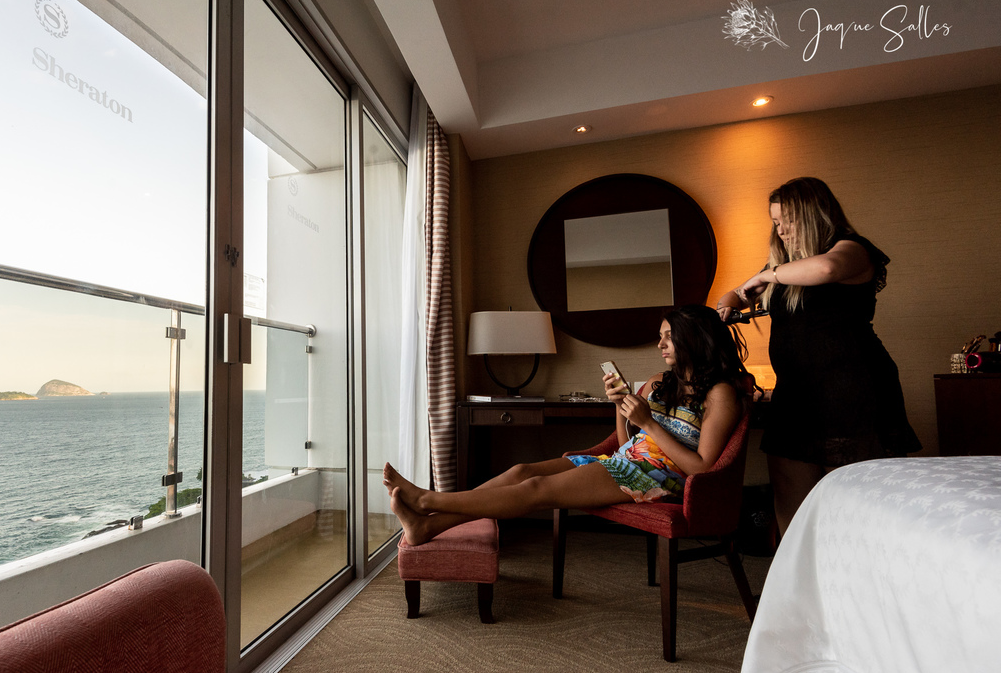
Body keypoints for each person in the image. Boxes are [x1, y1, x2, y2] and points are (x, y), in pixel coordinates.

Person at [384, 304, 753, 547]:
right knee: (522, 470)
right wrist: (619, 407)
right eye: (661, 336)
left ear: (695, 340)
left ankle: (428, 500)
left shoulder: (720, 394)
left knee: (537, 488)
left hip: (658, 480)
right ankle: (427, 526)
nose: (660, 344)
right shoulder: (661, 381)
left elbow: (703, 468)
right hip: (626, 462)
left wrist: (650, 426)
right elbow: (626, 442)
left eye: (668, 337)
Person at [717, 177, 920, 534]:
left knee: (860, 503)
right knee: (791, 504)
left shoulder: (852, 249)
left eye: (786, 221)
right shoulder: (783, 265)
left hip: (851, 392)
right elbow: (739, 292)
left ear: (812, 214)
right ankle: (796, 585)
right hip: (796, 394)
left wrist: (769, 274)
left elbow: (826, 269)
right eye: (775, 223)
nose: (780, 231)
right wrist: (728, 303)